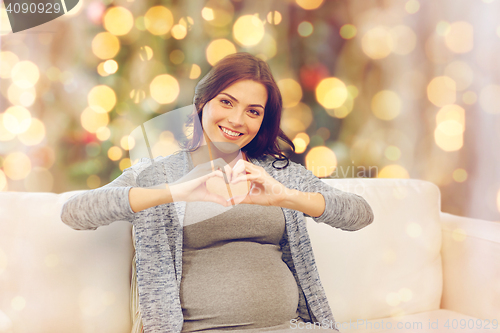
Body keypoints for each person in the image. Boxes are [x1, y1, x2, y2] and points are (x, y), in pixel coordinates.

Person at [61, 52, 374, 333]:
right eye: (227, 102)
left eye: (253, 111)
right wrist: (173, 192)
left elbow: (359, 214)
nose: (237, 120)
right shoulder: (157, 174)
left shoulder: (277, 174)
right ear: (202, 103)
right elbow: (75, 212)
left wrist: (285, 197)